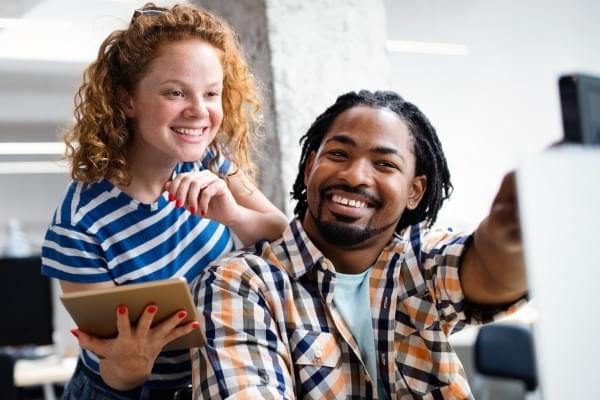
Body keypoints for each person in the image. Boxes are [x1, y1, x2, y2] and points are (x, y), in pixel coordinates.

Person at [191, 90, 528, 399]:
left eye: (384, 164)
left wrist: (509, 229)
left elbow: (490, 271)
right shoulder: (239, 283)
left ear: (415, 191)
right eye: (338, 154)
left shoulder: (418, 263)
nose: (355, 176)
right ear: (310, 167)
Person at [41, 2, 287, 399]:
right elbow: (113, 370)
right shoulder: (80, 224)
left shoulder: (211, 161)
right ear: (127, 101)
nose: (199, 111)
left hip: (214, 378)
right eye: (175, 92)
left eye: (211, 93)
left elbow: (283, 236)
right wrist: (131, 368)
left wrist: (235, 215)